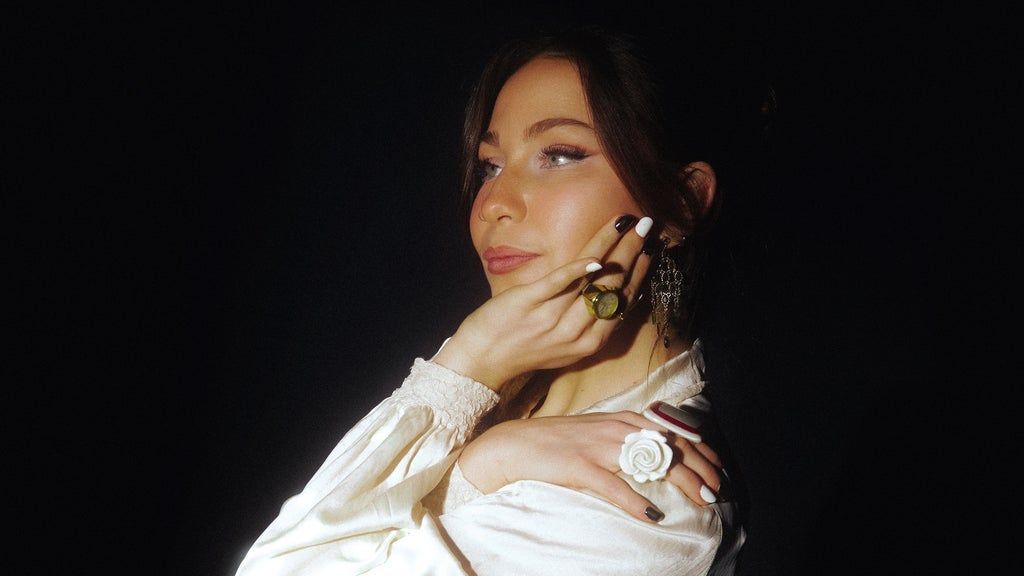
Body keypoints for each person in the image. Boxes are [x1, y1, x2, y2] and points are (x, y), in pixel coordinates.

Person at [235, 25, 745, 576]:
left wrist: (473, 382)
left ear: (681, 202)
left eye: (560, 155)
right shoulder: (509, 394)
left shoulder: (647, 504)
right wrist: (488, 444)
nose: (494, 202)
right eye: (490, 166)